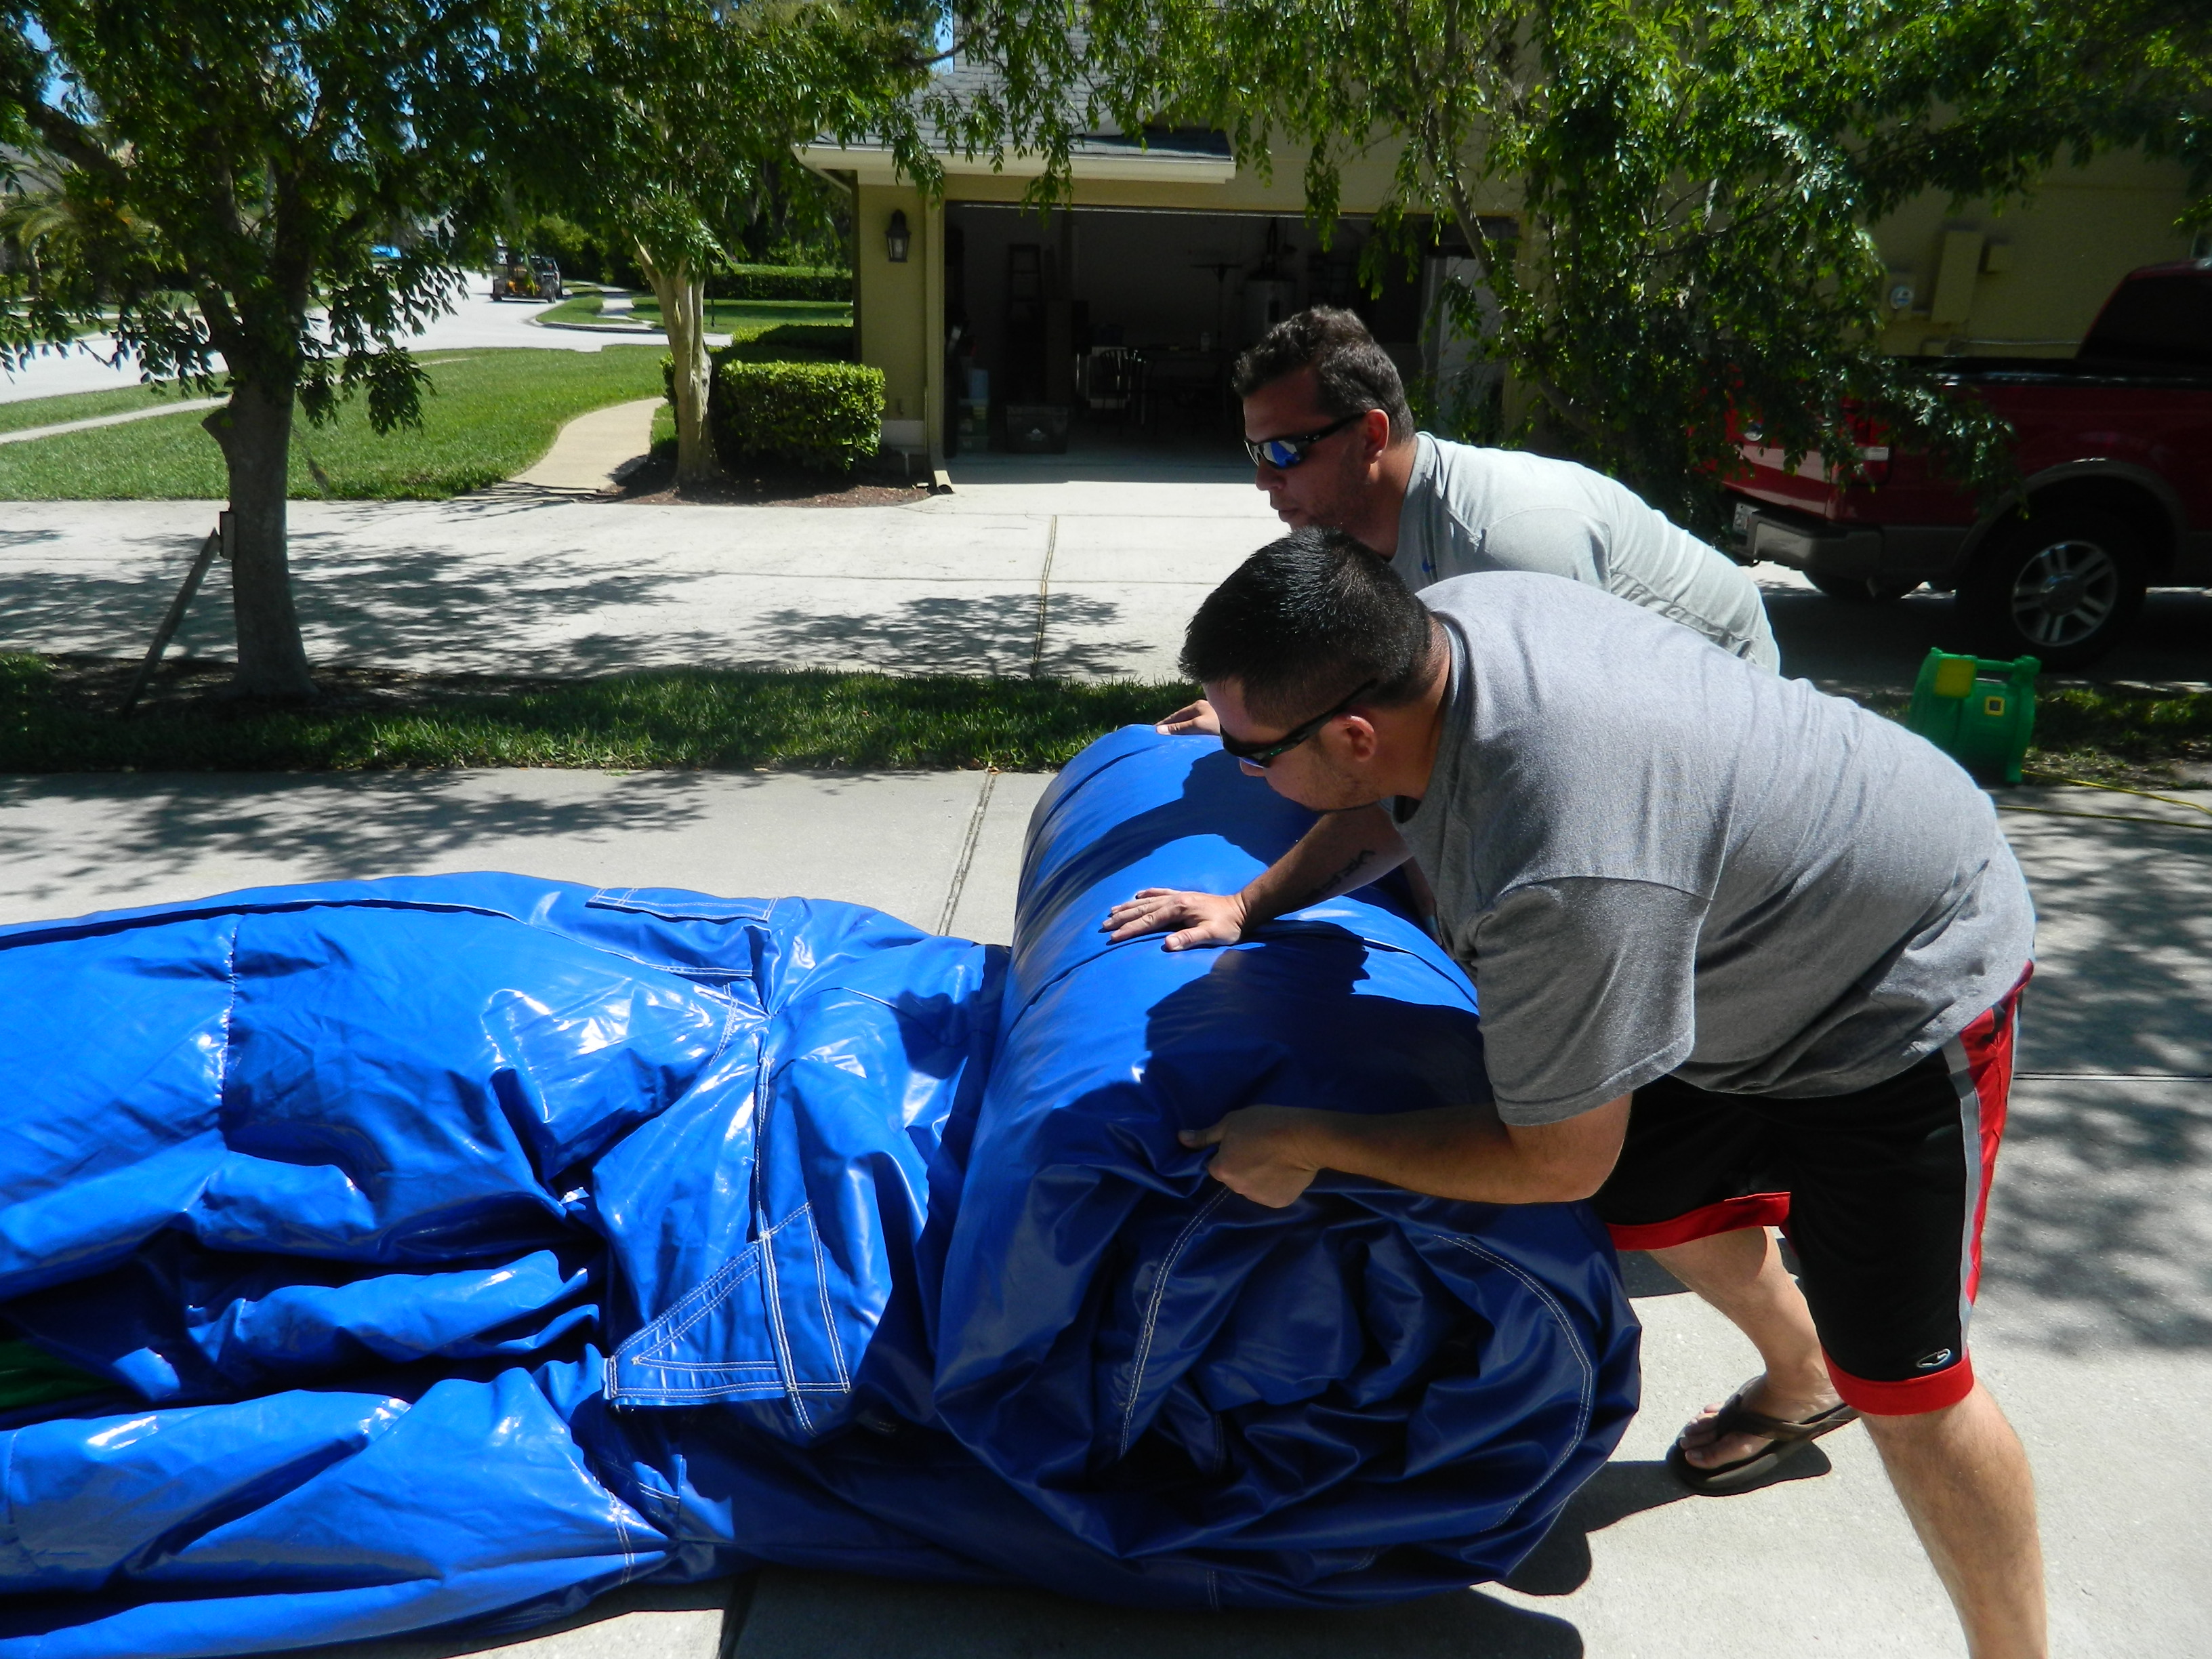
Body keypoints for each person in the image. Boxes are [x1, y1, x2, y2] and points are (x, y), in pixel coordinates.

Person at [1107, 531, 2045, 1658]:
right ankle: (1798, 1381)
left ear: (1350, 729)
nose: (1244, 769)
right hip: (1725, 937)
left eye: (1253, 755)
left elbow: (1554, 1158)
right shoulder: (1440, 635)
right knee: (1649, 1198)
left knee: (1907, 1381)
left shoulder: (1561, 870)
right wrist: (1250, 905)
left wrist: (1306, 1136)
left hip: (1894, 984)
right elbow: (1377, 799)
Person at [1159, 308, 1776, 737]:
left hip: (1716, 684)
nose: (1265, 480)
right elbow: (1370, 675)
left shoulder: (1507, 543)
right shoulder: (1355, 525)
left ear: (1370, 436)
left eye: (1286, 452)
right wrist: (1264, 724)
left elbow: (1566, 738)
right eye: (1256, 453)